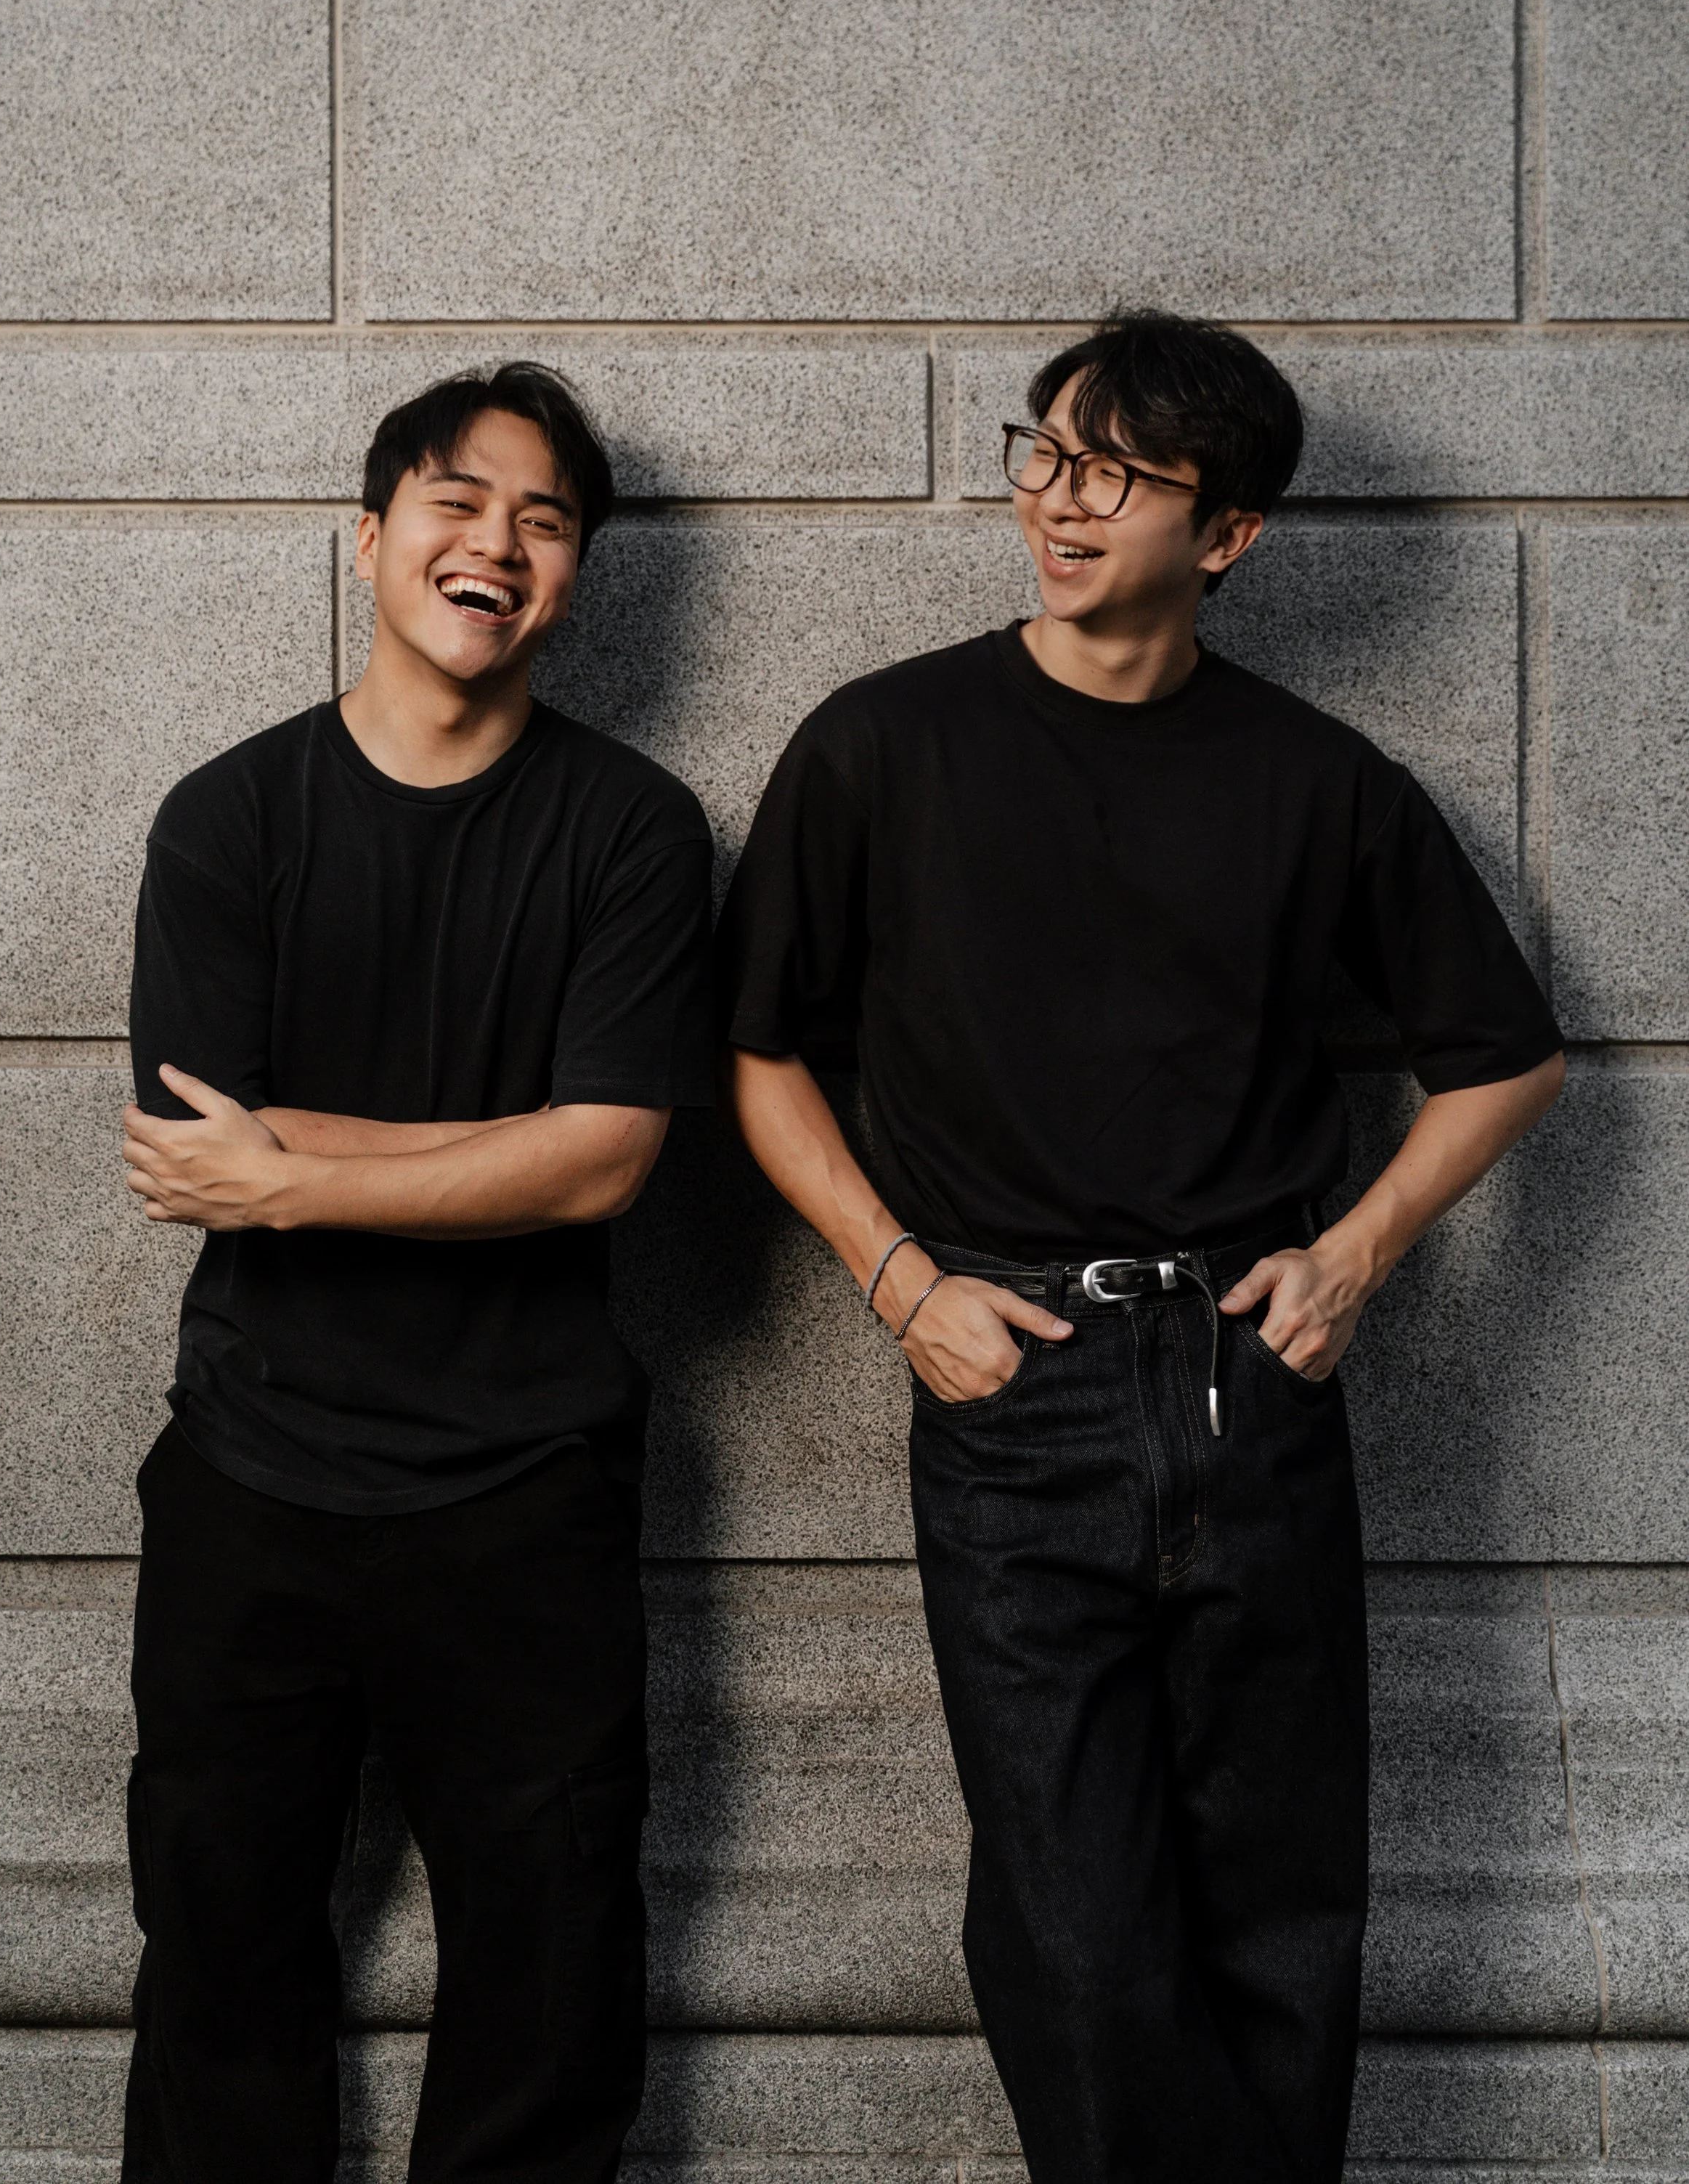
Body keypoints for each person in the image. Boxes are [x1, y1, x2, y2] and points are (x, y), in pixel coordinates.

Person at [717, 311, 1564, 2184]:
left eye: (1117, 471)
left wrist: (1353, 1256)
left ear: (1228, 534)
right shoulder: (881, 742)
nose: (1059, 498)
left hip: (1249, 1387)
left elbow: (1503, 1059)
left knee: (1278, 1918)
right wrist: (896, 1281)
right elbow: (755, 1053)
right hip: (1012, 1387)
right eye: (1045, 450)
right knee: (1075, 1924)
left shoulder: (1313, 779)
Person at [117, 366, 714, 2184]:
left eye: (545, 524)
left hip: (524, 1488)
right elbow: (192, 1155)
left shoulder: (630, 829)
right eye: (460, 504)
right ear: (372, 538)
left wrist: (301, 1170)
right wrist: (486, 1156)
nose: (499, 544)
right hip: (250, 1478)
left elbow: (607, 1158)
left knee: (548, 1981)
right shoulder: (228, 819)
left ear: (573, 581)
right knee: (220, 1961)